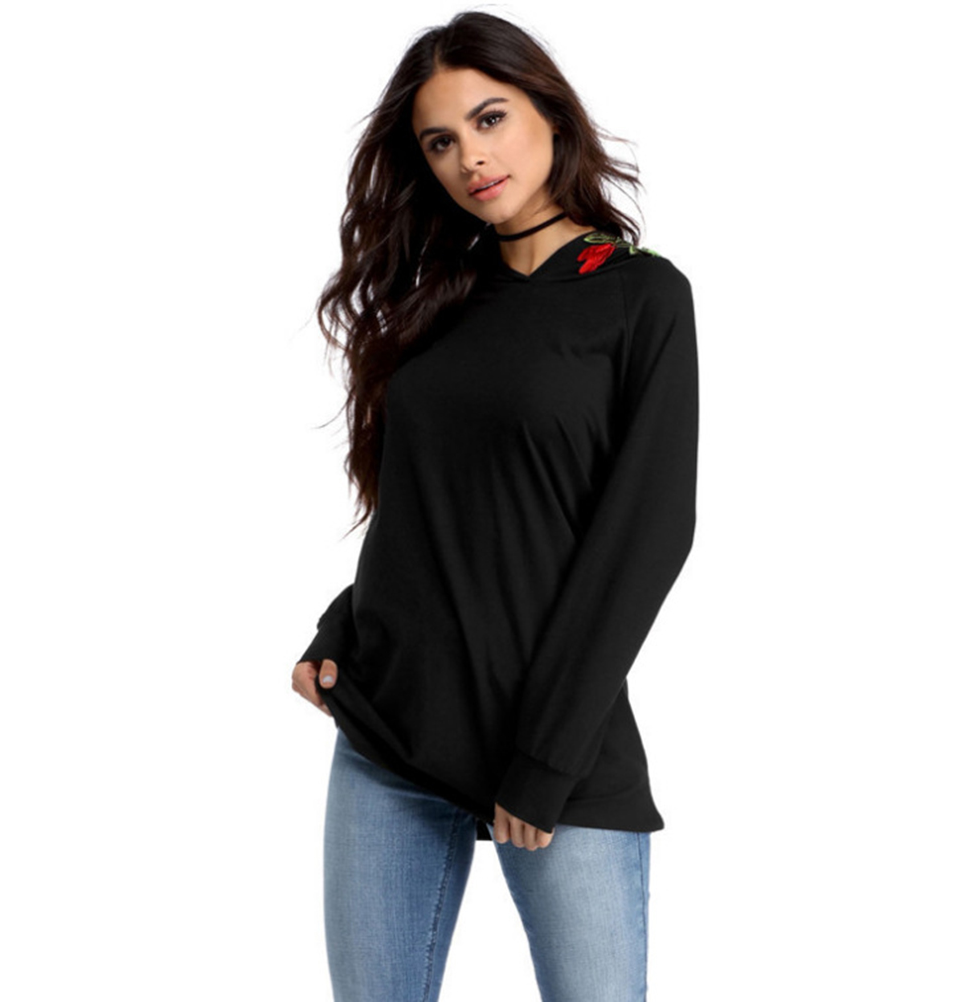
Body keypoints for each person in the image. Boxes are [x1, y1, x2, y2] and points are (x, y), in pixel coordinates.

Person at [289, 10, 698, 1001]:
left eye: (489, 118)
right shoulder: (436, 304)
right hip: (394, 735)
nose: (470, 157)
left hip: (554, 746)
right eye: (440, 141)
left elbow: (646, 536)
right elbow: (423, 509)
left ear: (549, 110)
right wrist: (340, 631)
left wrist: (546, 758)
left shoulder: (640, 297)